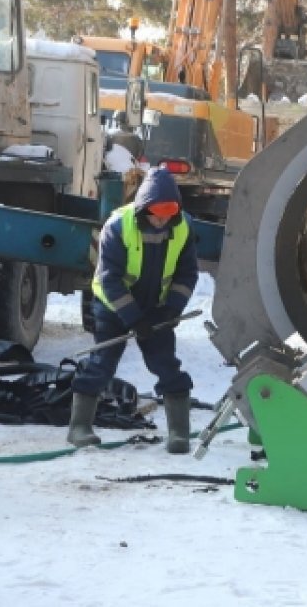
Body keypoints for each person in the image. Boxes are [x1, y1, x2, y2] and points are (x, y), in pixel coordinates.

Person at [67, 166, 198, 453]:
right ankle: (79, 427)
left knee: (166, 365)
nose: (163, 219)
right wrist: (133, 318)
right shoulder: (117, 227)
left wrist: (171, 309)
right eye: (158, 213)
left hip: (157, 308)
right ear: (144, 208)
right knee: (102, 363)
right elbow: (109, 279)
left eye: (169, 213)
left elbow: (187, 275)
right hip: (114, 307)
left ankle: (179, 433)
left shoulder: (183, 227)